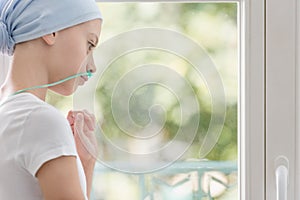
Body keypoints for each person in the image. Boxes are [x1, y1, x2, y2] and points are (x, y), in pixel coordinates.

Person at [0, 0, 102, 199]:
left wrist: (85, 163)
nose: (92, 67)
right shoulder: (40, 120)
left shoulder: (8, 111)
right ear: (50, 30)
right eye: (89, 44)